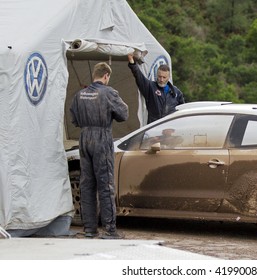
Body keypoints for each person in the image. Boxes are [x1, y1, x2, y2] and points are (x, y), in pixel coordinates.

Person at [70, 62, 129, 239]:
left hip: (84, 138)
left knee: (87, 184)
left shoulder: (79, 94)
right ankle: (110, 230)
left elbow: (74, 119)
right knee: (106, 184)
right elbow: (124, 114)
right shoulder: (109, 92)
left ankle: (89, 229)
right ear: (106, 76)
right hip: (101, 137)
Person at [127, 53, 185, 124]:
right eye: (159, 76)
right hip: (154, 128)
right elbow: (138, 76)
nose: (161, 79)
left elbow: (182, 111)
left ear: (169, 77)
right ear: (156, 75)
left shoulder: (176, 93)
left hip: (170, 129)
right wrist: (132, 62)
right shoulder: (150, 87)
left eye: (164, 77)